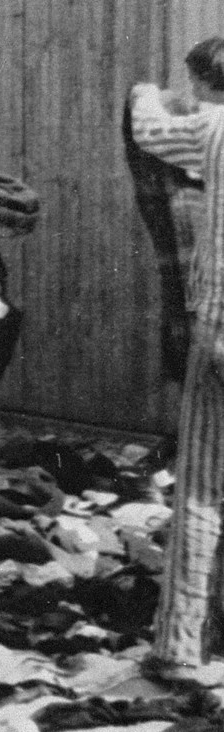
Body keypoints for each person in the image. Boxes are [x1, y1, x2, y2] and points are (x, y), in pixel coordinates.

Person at [128, 36, 224, 685]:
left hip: (220, 325)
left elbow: (147, 129)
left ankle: (181, 646)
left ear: (202, 83)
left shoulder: (210, 128)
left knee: (202, 485)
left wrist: (143, 92)